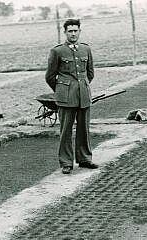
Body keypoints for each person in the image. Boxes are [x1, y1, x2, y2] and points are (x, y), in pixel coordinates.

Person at [45, 19, 98, 174]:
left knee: (84, 129)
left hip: (83, 95)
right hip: (66, 97)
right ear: (65, 33)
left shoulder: (86, 49)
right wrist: (62, 89)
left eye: (75, 30)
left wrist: (82, 86)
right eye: (70, 31)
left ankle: (84, 159)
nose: (73, 33)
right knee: (66, 131)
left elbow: (90, 73)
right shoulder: (57, 51)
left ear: (79, 31)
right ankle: (66, 162)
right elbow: (50, 76)